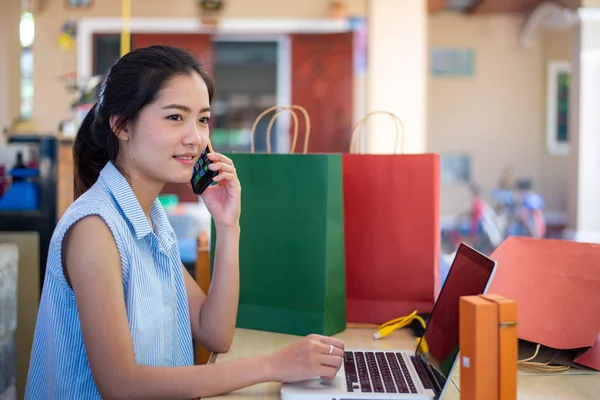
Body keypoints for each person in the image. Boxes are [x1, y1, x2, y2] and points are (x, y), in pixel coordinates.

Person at [25, 45, 344, 399]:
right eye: (176, 117)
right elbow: (121, 385)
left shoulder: (151, 216)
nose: (196, 138)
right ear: (121, 125)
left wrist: (227, 226)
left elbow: (214, 333)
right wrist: (273, 365)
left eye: (203, 119)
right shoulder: (95, 229)